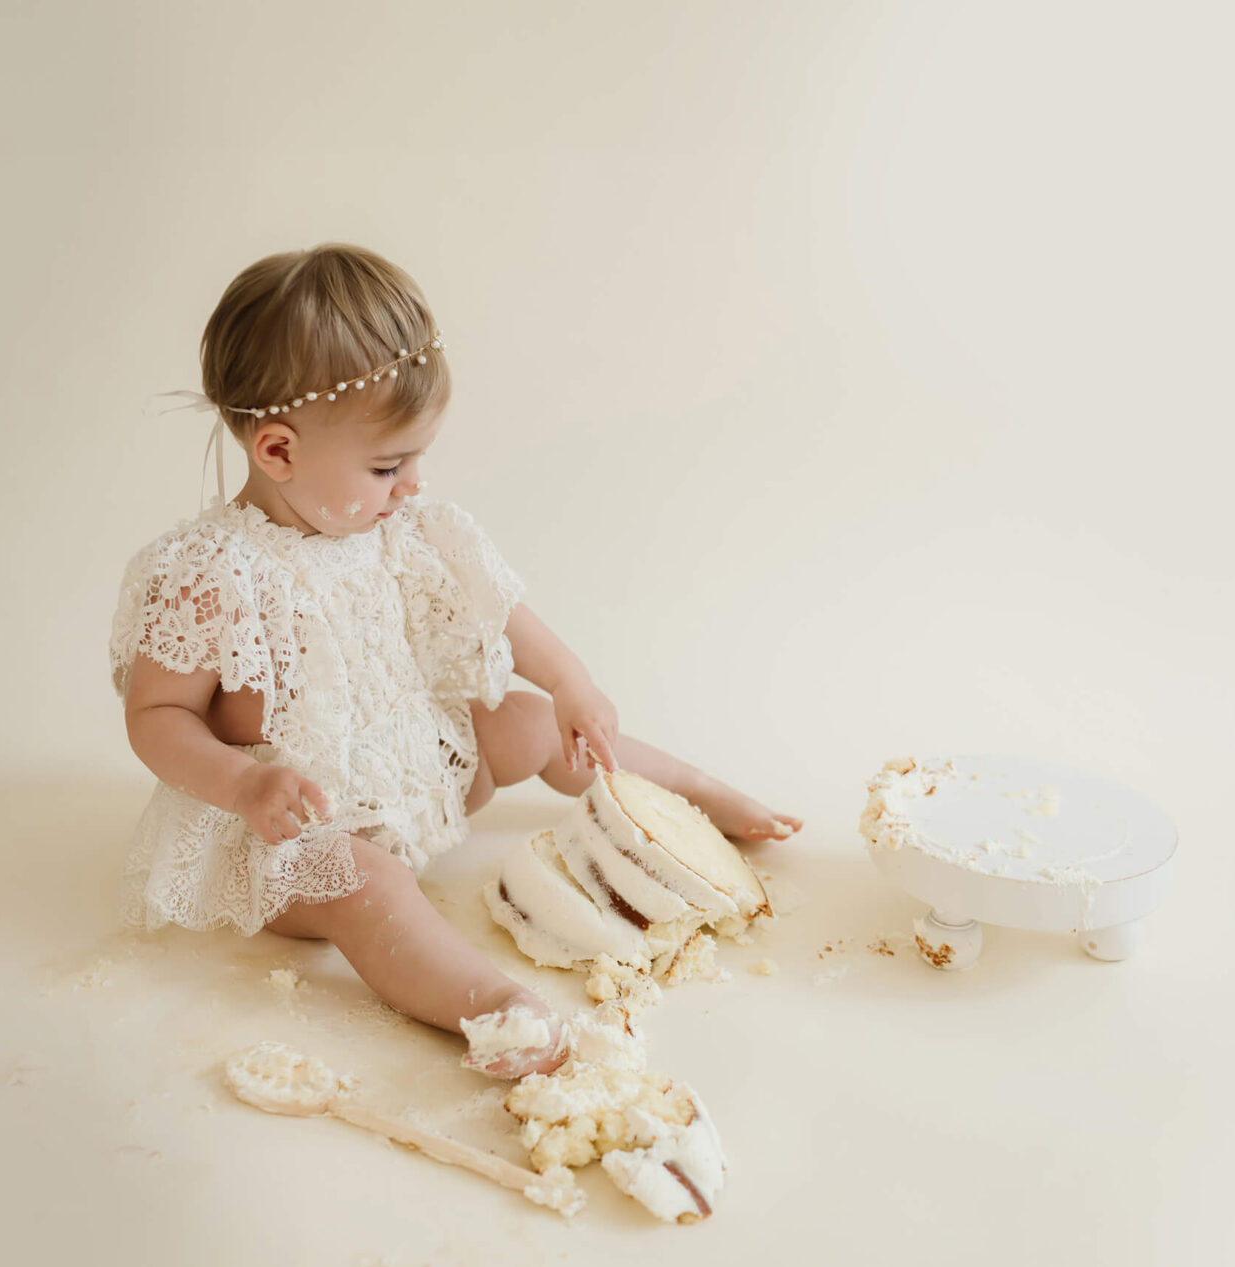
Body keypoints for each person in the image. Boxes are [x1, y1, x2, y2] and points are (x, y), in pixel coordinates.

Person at [109, 243, 801, 1077]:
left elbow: (500, 613)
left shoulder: (402, 523)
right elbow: (157, 717)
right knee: (367, 888)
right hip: (291, 827)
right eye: (387, 465)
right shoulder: (211, 575)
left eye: (415, 459)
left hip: (410, 765)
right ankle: (494, 1006)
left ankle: (690, 800)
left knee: (532, 725)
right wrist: (242, 784)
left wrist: (569, 679)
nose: (411, 484)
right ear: (279, 451)